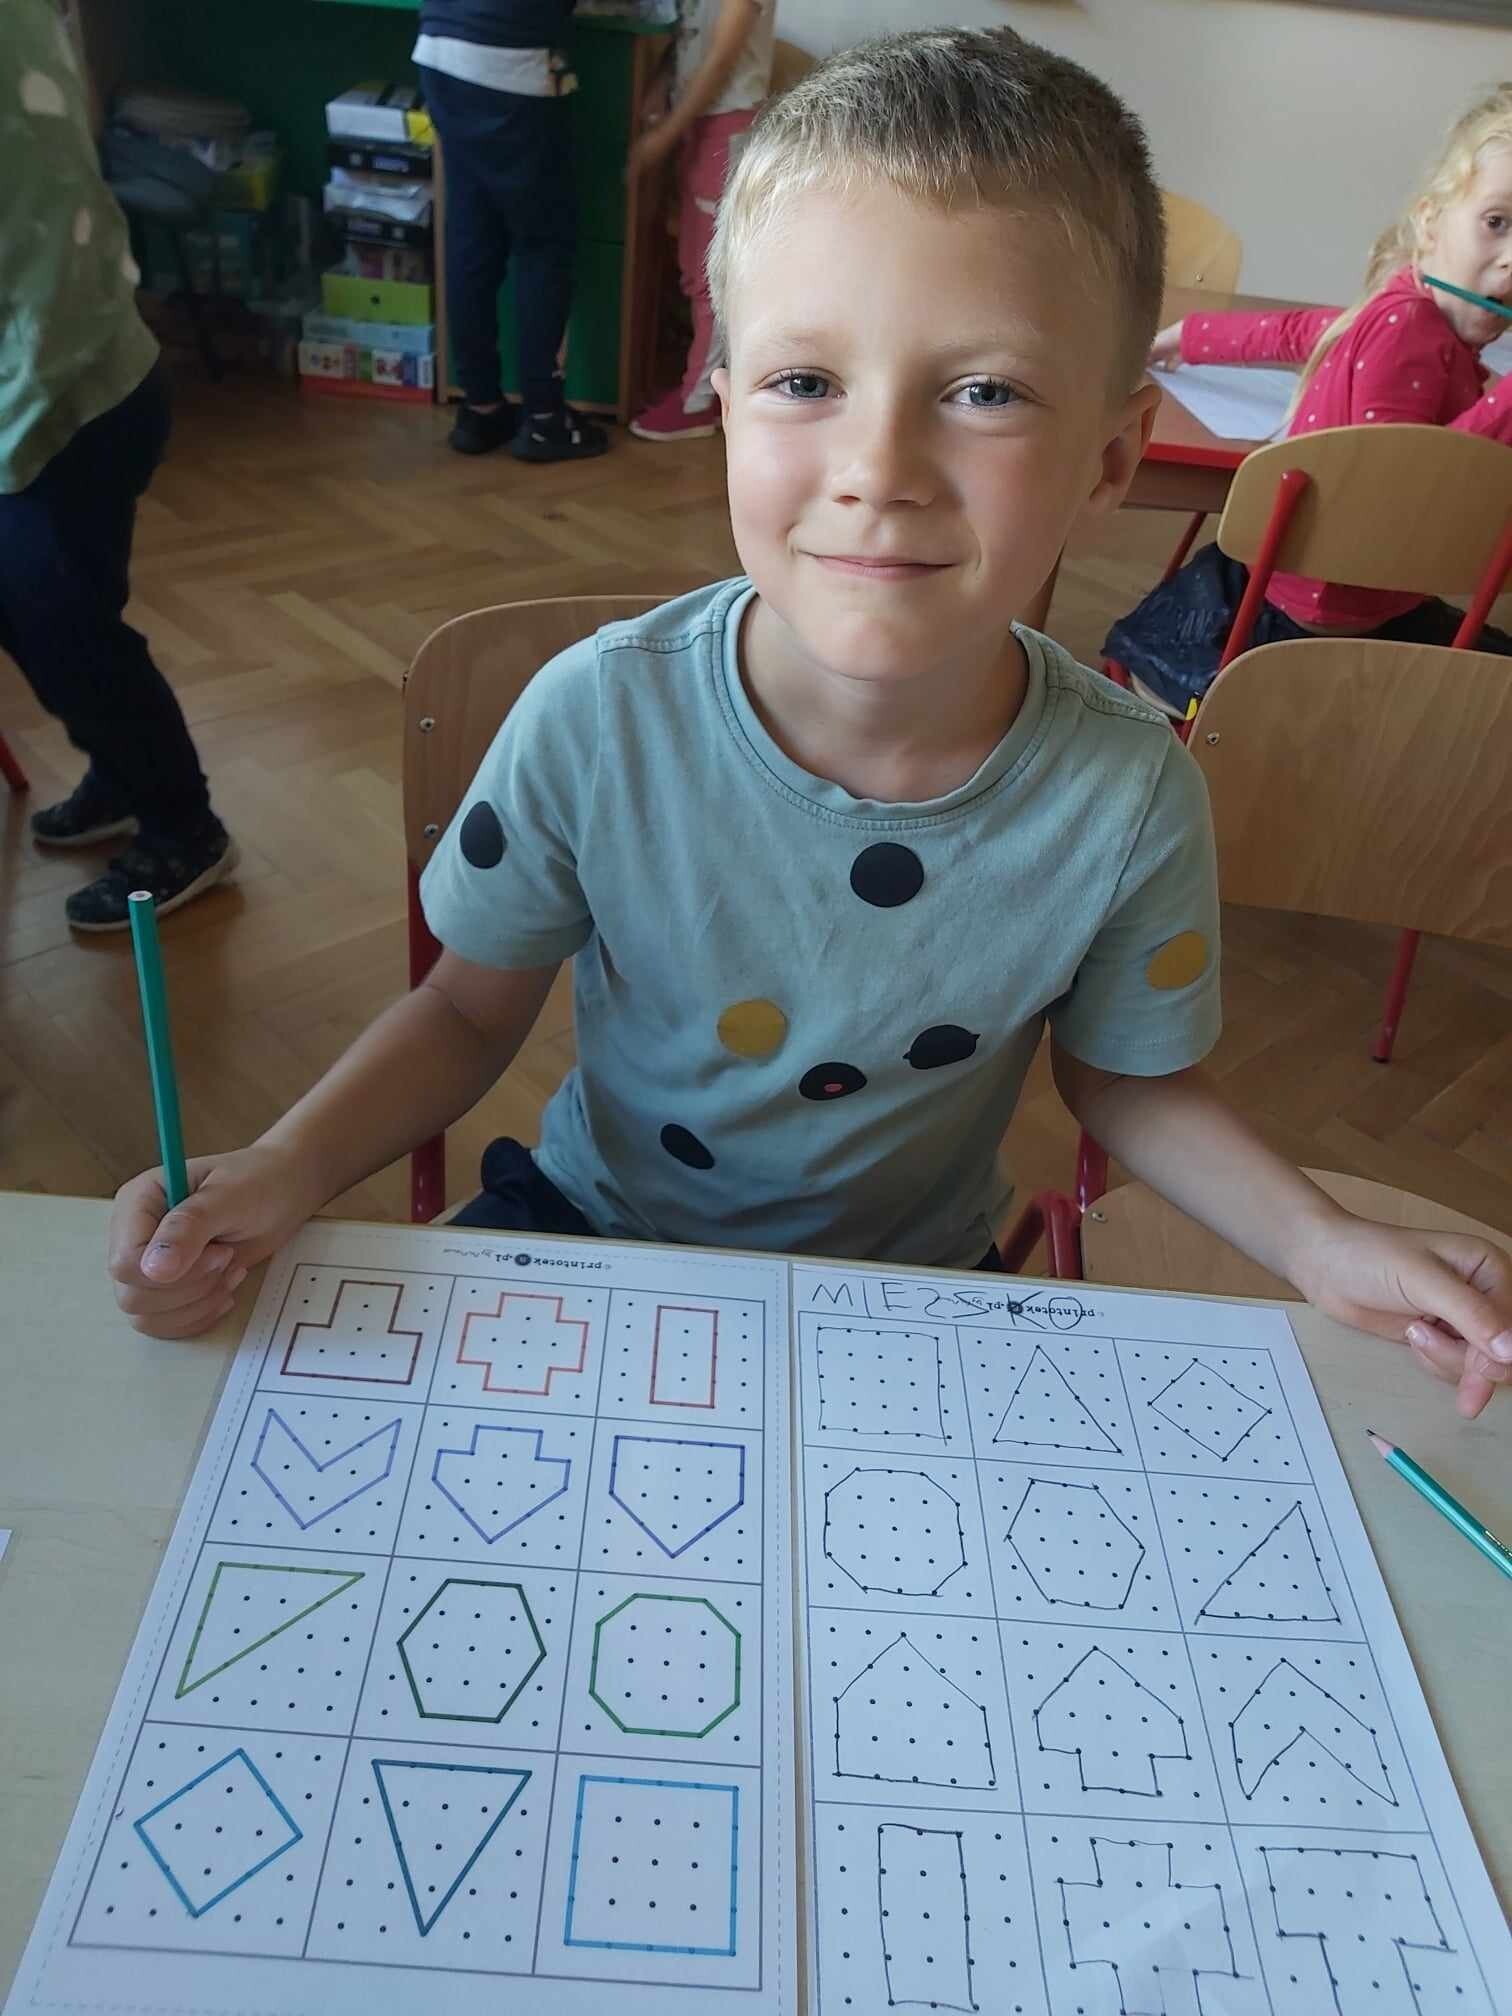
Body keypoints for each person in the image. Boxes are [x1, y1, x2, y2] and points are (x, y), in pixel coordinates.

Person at [107, 28, 1512, 1418]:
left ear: (1111, 460)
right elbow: (466, 1012)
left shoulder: (1132, 793)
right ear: (725, 405)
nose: (878, 470)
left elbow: (1127, 1084)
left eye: (983, 392)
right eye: (806, 382)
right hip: (593, 1234)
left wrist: (1319, 1241)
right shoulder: (597, 717)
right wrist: (285, 1166)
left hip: (909, 1293)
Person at [1106, 84, 1512, 713]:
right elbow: (1416, 486)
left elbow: (1305, 330)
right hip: (1329, 619)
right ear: (1431, 223)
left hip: (1312, 586)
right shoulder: (1409, 328)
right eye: (1496, 222)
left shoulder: (1403, 305)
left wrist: (1191, 336)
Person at [0, 0, 236, 931]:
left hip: (61, 399)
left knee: (69, 633)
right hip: (83, 380)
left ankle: (183, 826)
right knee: (61, 623)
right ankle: (125, 773)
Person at [414, 0, 608, 461]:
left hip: (440, 52)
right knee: (543, 246)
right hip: (514, 62)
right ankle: (543, 418)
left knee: (471, 232)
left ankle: (480, 409)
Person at [627, 0, 774, 442]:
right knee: (695, 269)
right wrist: (660, 88)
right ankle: (699, 386)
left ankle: (700, 401)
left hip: (726, 125)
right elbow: (687, 40)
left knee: (712, 278)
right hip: (701, 122)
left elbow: (719, 60)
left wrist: (664, 135)